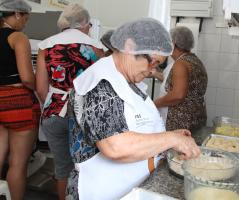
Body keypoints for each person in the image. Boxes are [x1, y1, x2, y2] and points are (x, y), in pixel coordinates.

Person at [66, 18, 200, 200]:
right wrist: (170, 139)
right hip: (100, 191)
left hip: (127, 189)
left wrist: (169, 138)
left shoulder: (127, 79)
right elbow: (115, 146)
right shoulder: (100, 83)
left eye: (158, 65)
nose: (153, 70)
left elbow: (129, 125)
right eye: (152, 62)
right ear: (129, 46)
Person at [35, 4, 104, 200]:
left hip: (54, 112)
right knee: (86, 166)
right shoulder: (96, 47)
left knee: (62, 168)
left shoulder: (45, 46)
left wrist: (52, 103)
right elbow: (101, 86)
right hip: (84, 114)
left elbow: (40, 88)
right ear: (83, 24)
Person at [0, 1, 40, 200]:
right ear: (16, 14)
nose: (26, 21)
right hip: (18, 102)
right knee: (18, 162)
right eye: (25, 17)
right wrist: (39, 88)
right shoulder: (18, 37)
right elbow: (26, 77)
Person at [154, 26, 208, 136]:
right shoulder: (195, 61)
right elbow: (177, 83)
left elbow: (177, 95)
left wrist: (154, 104)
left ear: (173, 44)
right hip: (196, 119)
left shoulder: (180, 64)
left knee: (176, 153)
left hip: (181, 123)